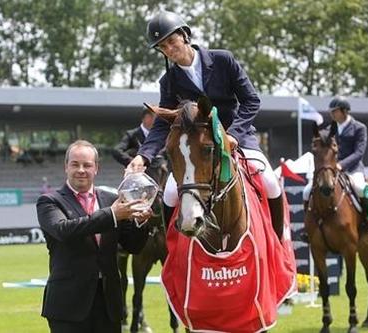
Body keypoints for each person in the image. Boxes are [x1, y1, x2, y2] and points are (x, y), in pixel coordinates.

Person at [126, 11, 285, 237]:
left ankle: (277, 239)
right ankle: (173, 247)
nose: (170, 49)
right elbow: (163, 125)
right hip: (197, 148)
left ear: (184, 36)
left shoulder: (223, 60)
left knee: (270, 182)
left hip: (236, 136)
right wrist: (144, 155)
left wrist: (234, 135)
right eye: (163, 47)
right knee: (171, 192)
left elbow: (251, 100)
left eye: (172, 41)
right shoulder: (169, 81)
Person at [36, 140, 152, 333]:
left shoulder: (111, 199)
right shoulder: (49, 201)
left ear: (96, 168)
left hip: (109, 304)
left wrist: (141, 221)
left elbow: (134, 246)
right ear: (66, 167)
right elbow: (64, 231)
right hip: (68, 306)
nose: (81, 170)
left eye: (87, 165)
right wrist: (112, 215)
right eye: (75, 164)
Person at [302, 96, 368, 240]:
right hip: (332, 170)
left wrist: (341, 165)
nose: (332, 114)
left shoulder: (359, 128)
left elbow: (359, 152)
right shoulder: (329, 130)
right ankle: (309, 227)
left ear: (344, 111)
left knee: (363, 189)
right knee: (307, 190)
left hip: (353, 169)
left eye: (335, 111)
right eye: (331, 111)